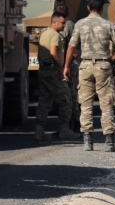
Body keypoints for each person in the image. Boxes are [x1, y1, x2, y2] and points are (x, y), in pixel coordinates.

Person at [64, 0, 115, 152]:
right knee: (106, 103)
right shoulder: (107, 25)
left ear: (88, 8)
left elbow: (71, 47)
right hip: (103, 66)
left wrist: (66, 66)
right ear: (102, 8)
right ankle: (109, 142)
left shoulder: (80, 24)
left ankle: (87, 141)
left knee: (85, 104)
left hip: (85, 66)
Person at [35, 12, 81, 141]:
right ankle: (65, 129)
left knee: (44, 101)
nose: (64, 25)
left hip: (44, 71)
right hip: (53, 72)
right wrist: (61, 67)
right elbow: (53, 52)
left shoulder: (44, 34)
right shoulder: (55, 35)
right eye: (62, 23)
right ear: (54, 22)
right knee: (66, 100)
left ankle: (39, 131)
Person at [56, 4, 80, 133]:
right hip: (69, 63)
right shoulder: (70, 24)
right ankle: (72, 124)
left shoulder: (67, 25)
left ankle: (74, 123)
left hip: (68, 64)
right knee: (70, 94)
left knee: (70, 94)